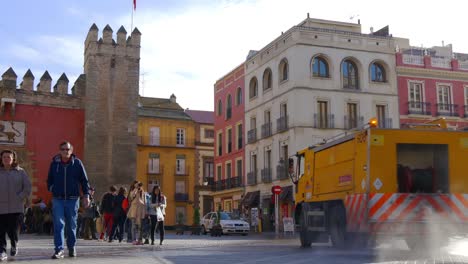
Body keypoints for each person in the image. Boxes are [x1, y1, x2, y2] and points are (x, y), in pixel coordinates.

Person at [47, 141, 90, 259]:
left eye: (67, 149)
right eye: (63, 149)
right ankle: (59, 250)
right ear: (59, 150)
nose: (65, 151)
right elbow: (49, 179)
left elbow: (84, 180)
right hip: (58, 199)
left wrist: (86, 196)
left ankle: (72, 247)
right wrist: (52, 188)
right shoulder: (54, 164)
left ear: (71, 151)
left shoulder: (77, 163)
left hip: (73, 199)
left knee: (71, 225)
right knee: (58, 225)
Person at [0, 150, 32, 261]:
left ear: (13, 159)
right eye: (4, 157)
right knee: (1, 231)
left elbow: (27, 187)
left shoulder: (20, 172)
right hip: (1, 207)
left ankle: (14, 245)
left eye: (9, 157)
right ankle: (2, 251)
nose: (6, 159)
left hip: (16, 207)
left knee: (13, 230)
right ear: (1, 159)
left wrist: (20, 197)